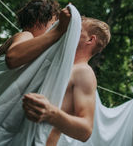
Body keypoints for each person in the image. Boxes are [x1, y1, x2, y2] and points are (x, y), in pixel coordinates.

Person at [22, 16, 111, 146]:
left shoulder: (83, 72)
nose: (71, 31)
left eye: (78, 30)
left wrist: (50, 113)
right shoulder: (59, 65)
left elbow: (85, 131)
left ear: (90, 39)